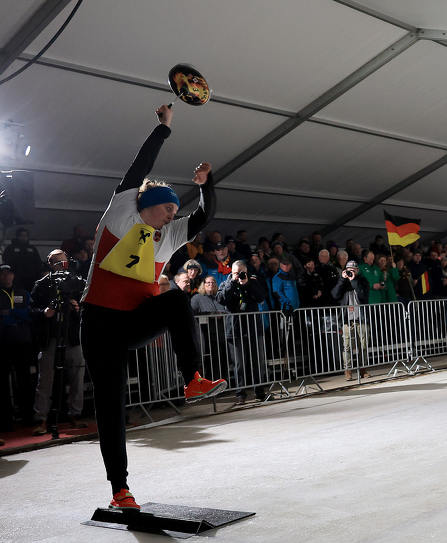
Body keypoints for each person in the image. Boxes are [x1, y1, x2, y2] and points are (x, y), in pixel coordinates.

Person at [79, 104, 226, 512]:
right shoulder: (121, 213)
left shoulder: (168, 234)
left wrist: (207, 185)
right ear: (150, 205)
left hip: (132, 321)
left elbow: (205, 214)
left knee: (176, 299)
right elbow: (137, 168)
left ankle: (193, 377)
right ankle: (120, 489)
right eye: (167, 210)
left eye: (174, 214)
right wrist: (162, 129)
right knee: (111, 407)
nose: (171, 218)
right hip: (99, 324)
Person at [29, 250, 88, 435]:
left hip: (72, 338)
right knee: (45, 380)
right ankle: (41, 419)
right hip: (50, 339)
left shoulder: (77, 282)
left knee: (77, 377)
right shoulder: (42, 285)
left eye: (64, 262)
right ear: (50, 264)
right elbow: (31, 309)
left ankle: (75, 415)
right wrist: (44, 312)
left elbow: (89, 305)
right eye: (57, 263)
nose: (62, 266)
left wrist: (79, 308)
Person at [216, 260, 268, 404]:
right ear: (231, 272)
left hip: (253, 327)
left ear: (245, 271)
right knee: (239, 364)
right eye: (235, 273)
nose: (238, 275)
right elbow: (221, 299)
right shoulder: (225, 283)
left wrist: (247, 284)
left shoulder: (252, 281)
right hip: (235, 329)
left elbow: (261, 296)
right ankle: (241, 394)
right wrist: (233, 283)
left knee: (257, 361)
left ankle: (260, 391)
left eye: (240, 272)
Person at [0, 264, 38, 433]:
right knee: (3, 385)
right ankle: (6, 421)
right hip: (3, 344)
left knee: (24, 382)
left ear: (13, 275)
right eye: (3, 274)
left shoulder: (23, 293)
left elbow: (30, 315)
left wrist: (11, 312)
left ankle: (28, 418)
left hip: (23, 343)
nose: (7, 277)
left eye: (9, 274)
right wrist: (16, 315)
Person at [331, 261, 370, 381]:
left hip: (361, 318)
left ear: (357, 270)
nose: (350, 271)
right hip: (347, 319)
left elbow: (363, 296)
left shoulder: (363, 281)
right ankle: (347, 371)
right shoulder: (342, 282)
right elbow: (335, 295)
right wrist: (342, 280)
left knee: (362, 345)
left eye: (353, 269)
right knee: (347, 346)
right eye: (348, 269)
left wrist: (354, 280)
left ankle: (363, 370)